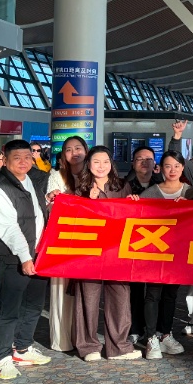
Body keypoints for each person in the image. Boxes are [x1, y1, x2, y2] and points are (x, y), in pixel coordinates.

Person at [0, 140, 53, 380]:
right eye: (17, 158)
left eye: (27, 157)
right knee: (8, 310)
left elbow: (34, 213)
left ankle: (22, 348)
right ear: (5, 159)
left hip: (38, 253)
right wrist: (25, 257)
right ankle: (0, 359)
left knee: (33, 304)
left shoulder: (30, 179)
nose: (23, 162)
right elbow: (9, 228)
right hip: (14, 256)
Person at [71, 146, 140, 362]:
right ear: (88, 165)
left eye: (105, 162)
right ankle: (88, 346)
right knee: (88, 298)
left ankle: (119, 347)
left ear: (112, 164)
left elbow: (132, 217)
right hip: (89, 252)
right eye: (96, 162)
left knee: (120, 296)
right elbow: (74, 219)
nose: (101, 166)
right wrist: (87, 202)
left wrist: (134, 202)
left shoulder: (122, 186)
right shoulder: (80, 188)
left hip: (117, 251)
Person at [129, 151, 193, 359]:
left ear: (183, 167)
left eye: (176, 166)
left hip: (180, 253)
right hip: (154, 252)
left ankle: (165, 334)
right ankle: (151, 338)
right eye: (167, 166)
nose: (172, 170)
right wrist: (133, 202)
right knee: (153, 294)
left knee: (171, 294)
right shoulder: (150, 193)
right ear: (160, 168)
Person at [43, 136, 88, 352]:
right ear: (63, 155)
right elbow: (51, 206)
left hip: (89, 240)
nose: (74, 152)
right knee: (61, 288)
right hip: (63, 239)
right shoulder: (56, 176)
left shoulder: (94, 176)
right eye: (69, 149)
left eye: (78, 148)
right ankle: (61, 339)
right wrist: (52, 198)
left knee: (85, 291)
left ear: (86, 151)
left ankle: (84, 338)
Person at [124, 145, 165, 346]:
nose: (144, 162)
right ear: (133, 163)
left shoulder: (162, 185)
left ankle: (156, 329)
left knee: (155, 291)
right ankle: (135, 329)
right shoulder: (124, 186)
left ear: (155, 163)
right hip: (134, 244)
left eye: (149, 159)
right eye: (140, 159)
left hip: (159, 243)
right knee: (135, 289)